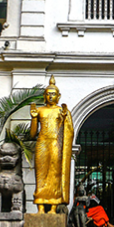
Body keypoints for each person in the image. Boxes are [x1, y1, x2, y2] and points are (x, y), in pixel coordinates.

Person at [29, 75, 75, 213]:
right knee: (41, 175)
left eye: (53, 94)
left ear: (58, 96)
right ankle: (41, 206)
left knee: (54, 174)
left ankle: (53, 206)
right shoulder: (40, 110)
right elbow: (32, 134)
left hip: (55, 144)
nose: (50, 97)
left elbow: (68, 131)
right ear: (44, 96)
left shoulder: (61, 111)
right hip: (42, 143)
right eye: (48, 94)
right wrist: (33, 119)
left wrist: (64, 118)